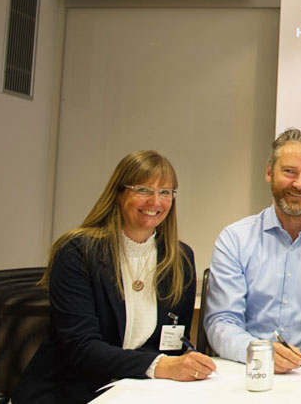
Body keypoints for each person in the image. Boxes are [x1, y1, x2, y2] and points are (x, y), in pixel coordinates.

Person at [13, 151, 215, 404]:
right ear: (118, 193)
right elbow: (82, 348)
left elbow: (172, 344)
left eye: (165, 192)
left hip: (137, 391)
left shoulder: (179, 258)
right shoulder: (78, 252)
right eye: (143, 190)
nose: (155, 201)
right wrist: (161, 366)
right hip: (70, 391)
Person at [205, 128, 301, 372]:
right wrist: (261, 354)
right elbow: (222, 322)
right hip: (249, 370)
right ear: (269, 172)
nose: (298, 184)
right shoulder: (235, 239)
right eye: (289, 172)